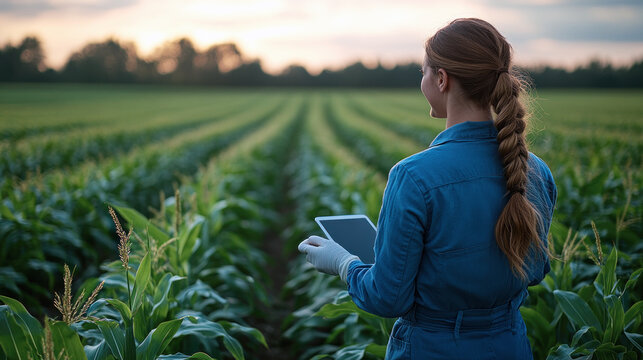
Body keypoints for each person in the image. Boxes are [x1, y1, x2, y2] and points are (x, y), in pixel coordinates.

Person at [298, 18, 557, 359]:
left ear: (441, 78)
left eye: (423, 72)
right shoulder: (535, 170)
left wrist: (343, 263)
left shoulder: (413, 176)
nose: (422, 81)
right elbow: (534, 270)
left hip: (431, 348)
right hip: (510, 346)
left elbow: (388, 298)